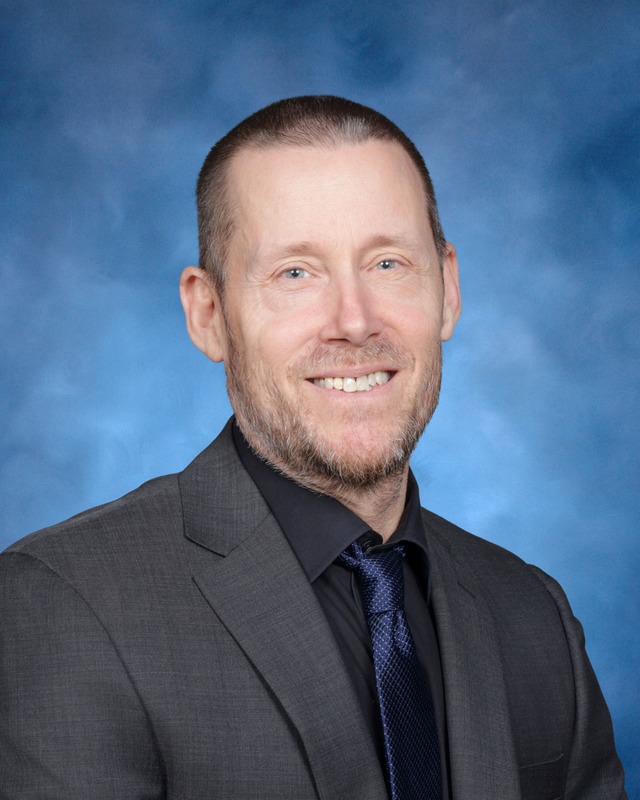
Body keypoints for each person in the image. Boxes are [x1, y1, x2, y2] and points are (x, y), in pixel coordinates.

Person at [0, 96, 626, 799]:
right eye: (295, 273)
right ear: (208, 314)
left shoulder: (534, 614)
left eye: (388, 263)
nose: (354, 321)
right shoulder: (66, 604)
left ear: (448, 289)